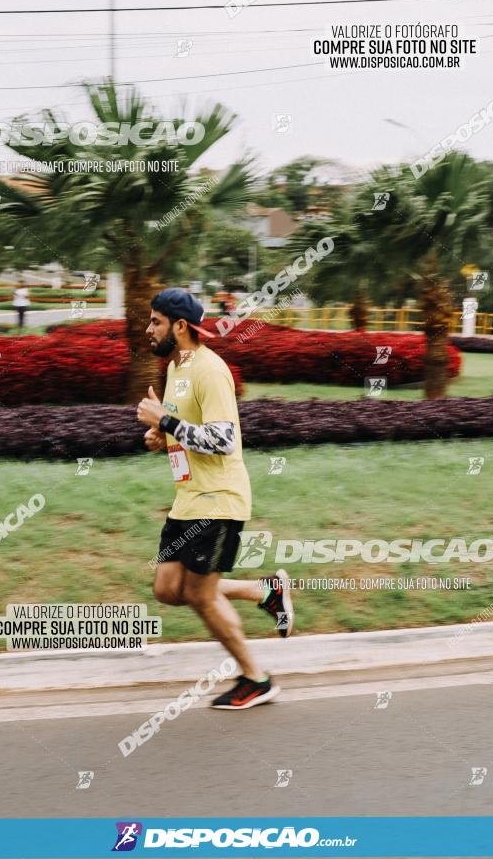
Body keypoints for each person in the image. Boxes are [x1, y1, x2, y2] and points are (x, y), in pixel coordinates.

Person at [137, 287, 293, 710]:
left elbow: (222, 440)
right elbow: (187, 430)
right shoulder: (177, 369)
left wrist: (165, 419)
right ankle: (266, 591)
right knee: (169, 589)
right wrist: (160, 435)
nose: (148, 328)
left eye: (155, 321)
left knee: (202, 596)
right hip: (187, 499)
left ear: (180, 326)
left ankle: (255, 679)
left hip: (218, 500)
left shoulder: (209, 370)